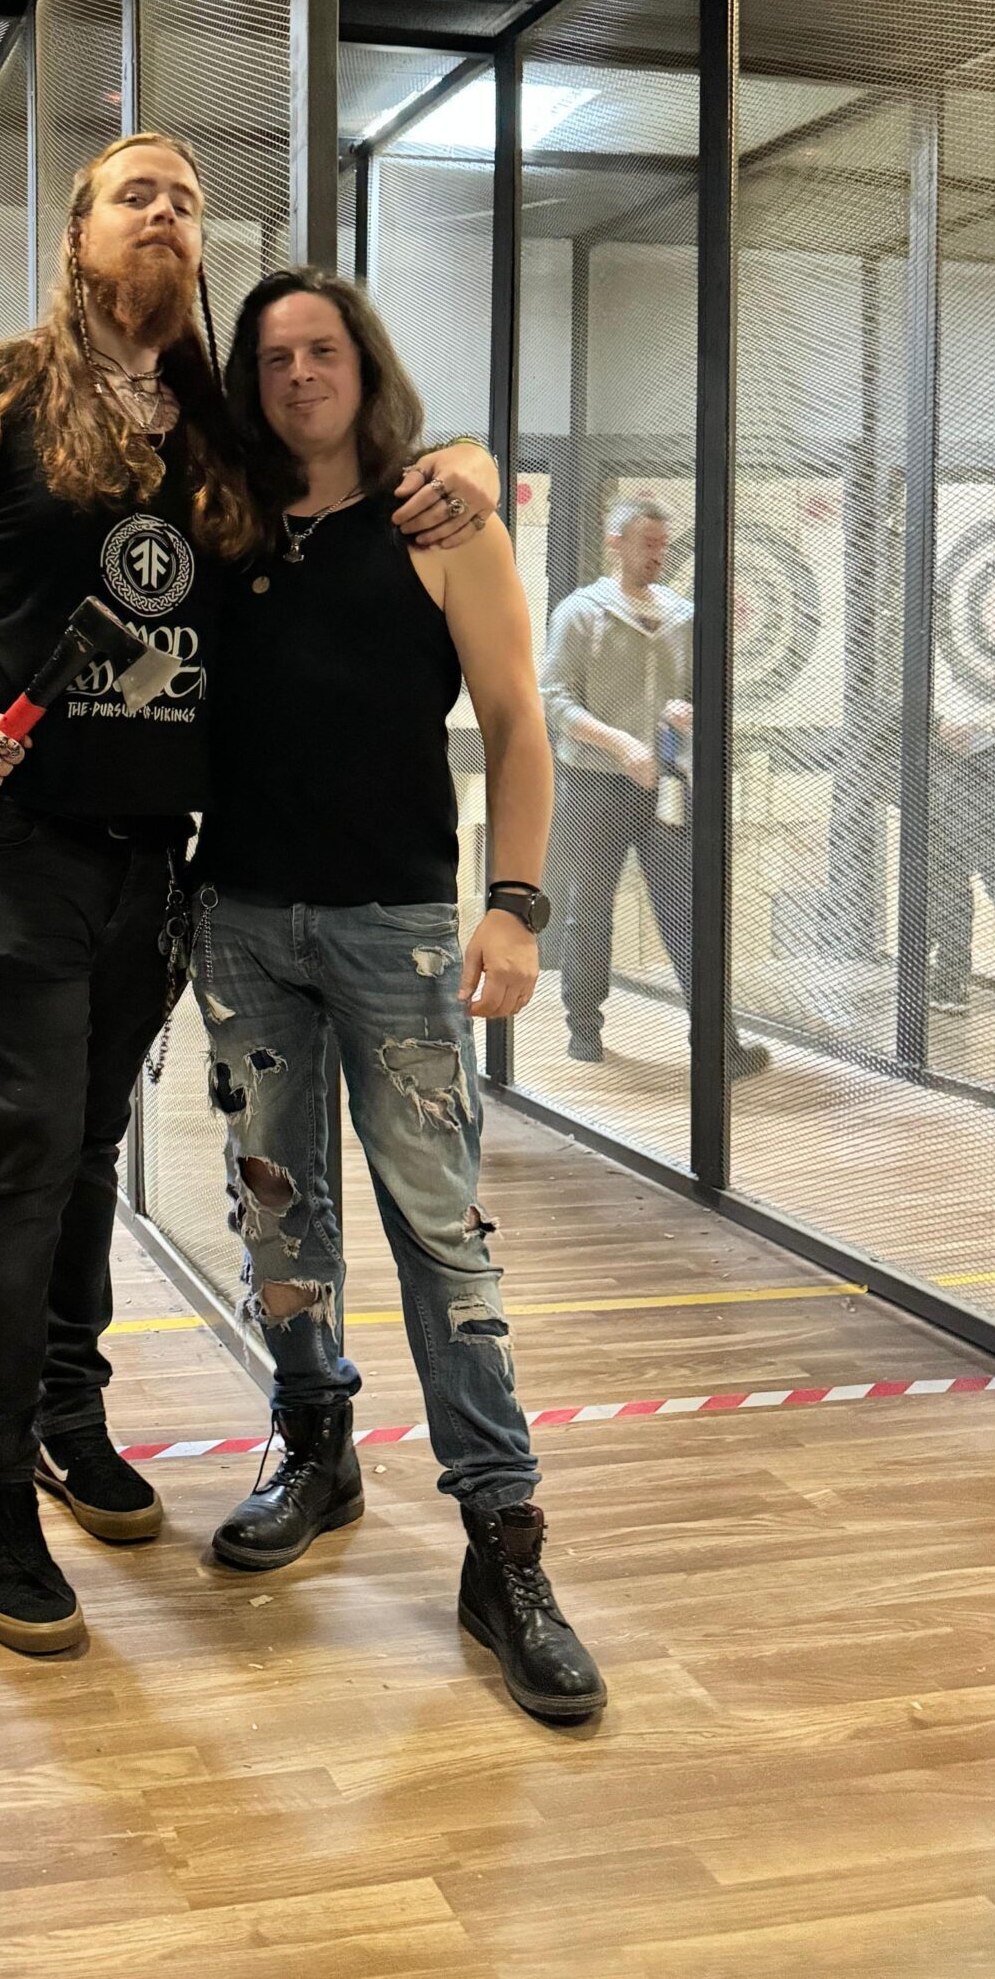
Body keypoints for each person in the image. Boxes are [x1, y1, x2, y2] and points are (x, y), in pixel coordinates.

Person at [0, 132, 498, 1656]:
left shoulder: (218, 428)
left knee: (87, 1146)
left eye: (188, 203)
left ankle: (66, 1418)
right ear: (78, 235)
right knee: (24, 1145)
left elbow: (358, 455)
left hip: (155, 858)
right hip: (10, 844)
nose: (166, 214)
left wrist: (459, 471)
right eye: (136, 193)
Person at [188, 270, 605, 1724]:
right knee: (277, 1210)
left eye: (325, 350)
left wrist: (517, 904)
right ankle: (317, 1447)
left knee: (441, 1231)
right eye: (274, 357)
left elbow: (518, 723)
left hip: (401, 934)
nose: (300, 374)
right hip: (242, 926)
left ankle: (504, 1541)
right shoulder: (223, 524)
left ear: (365, 366)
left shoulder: (445, 520)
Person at [540, 500, 769, 1078]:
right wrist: (620, 743)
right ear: (614, 541)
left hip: (665, 786)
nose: (658, 555)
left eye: (664, 544)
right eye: (647, 543)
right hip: (593, 786)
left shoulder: (683, 617)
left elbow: (701, 693)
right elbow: (554, 699)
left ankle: (719, 1044)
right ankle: (583, 1028)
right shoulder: (581, 613)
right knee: (589, 908)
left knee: (688, 912)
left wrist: (689, 714)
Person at [928, 717, 995, 1057]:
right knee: (947, 878)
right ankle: (949, 984)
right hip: (980, 772)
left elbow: (955, 726)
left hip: (981, 771)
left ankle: (949, 983)